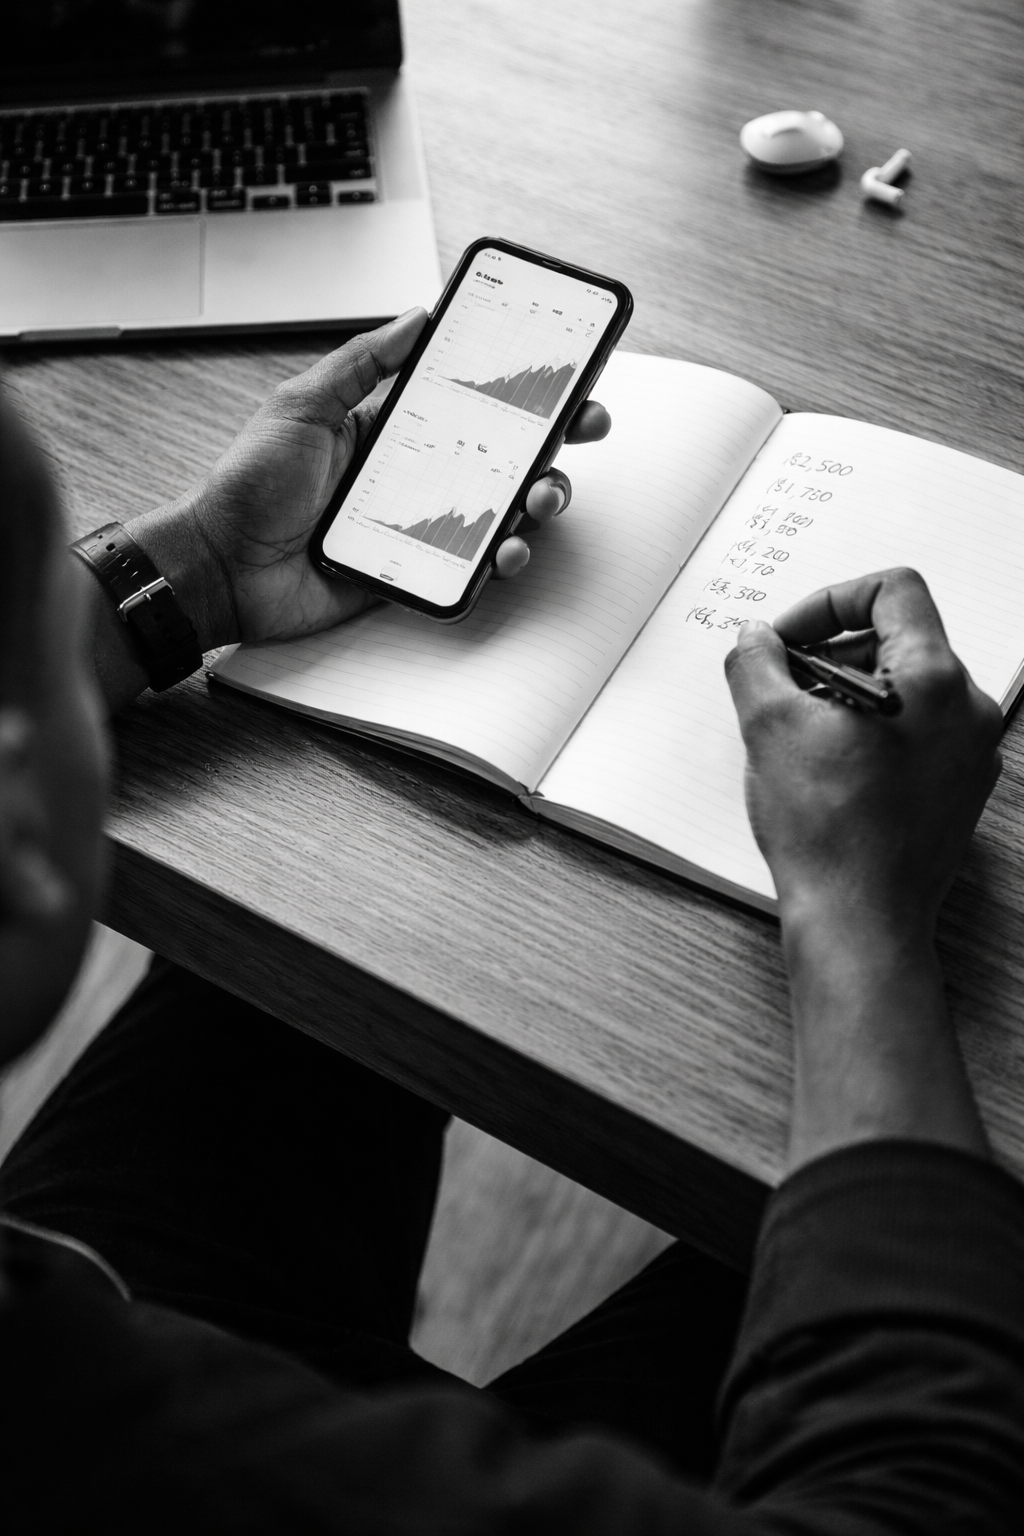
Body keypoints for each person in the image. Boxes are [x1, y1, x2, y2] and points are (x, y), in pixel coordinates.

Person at [1, 308, 1022, 1533]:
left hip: (76, 1280)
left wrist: (202, 568)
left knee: (356, 905)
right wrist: (861, 909)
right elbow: (925, 1499)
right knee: (918, 1235)